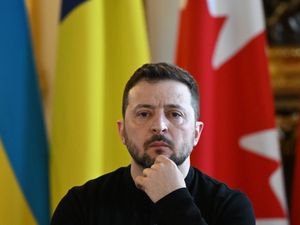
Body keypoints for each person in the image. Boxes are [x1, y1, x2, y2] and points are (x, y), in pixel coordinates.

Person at [51, 62, 255, 225]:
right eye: (144, 114)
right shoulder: (81, 206)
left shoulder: (230, 206)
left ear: (196, 132)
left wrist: (174, 199)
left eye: (175, 114)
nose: (159, 126)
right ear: (122, 131)